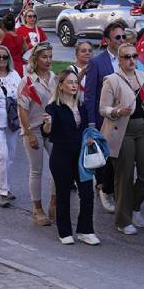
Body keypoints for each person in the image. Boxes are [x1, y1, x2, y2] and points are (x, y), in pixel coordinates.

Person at [99, 41, 144, 235]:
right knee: (124, 175)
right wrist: (117, 111)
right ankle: (122, 220)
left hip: (142, 129)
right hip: (121, 130)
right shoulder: (112, 80)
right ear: (119, 60)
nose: (132, 60)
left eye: (134, 56)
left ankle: (133, 206)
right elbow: (103, 109)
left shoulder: (143, 76)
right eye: (127, 57)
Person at [41, 68, 99, 246]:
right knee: (63, 193)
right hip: (61, 155)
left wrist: (89, 138)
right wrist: (48, 124)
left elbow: (85, 128)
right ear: (61, 85)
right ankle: (64, 231)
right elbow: (46, 132)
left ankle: (85, 230)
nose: (74, 86)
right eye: (70, 82)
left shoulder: (81, 105)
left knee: (87, 193)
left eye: (76, 82)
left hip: (80, 155)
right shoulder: (53, 108)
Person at [83, 20, 128, 213]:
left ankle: (117, 190)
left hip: (125, 119)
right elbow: (90, 95)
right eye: (117, 37)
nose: (122, 40)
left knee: (122, 159)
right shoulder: (97, 63)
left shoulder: (129, 58)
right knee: (106, 158)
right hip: (105, 119)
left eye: (124, 36)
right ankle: (104, 187)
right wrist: (92, 123)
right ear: (107, 40)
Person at [19, 42, 57, 226]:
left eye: (50, 56)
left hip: (52, 128)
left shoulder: (55, 78)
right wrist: (29, 134)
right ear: (35, 59)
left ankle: (54, 203)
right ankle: (37, 209)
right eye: (44, 57)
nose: (48, 60)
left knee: (58, 166)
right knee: (37, 170)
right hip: (34, 128)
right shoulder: (27, 81)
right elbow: (22, 109)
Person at [0, 44, 22, 206]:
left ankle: (6, 187)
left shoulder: (14, 75)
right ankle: (2, 191)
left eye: (4, 57)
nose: (1, 59)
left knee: (10, 156)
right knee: (2, 155)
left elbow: (23, 95)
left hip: (12, 122)